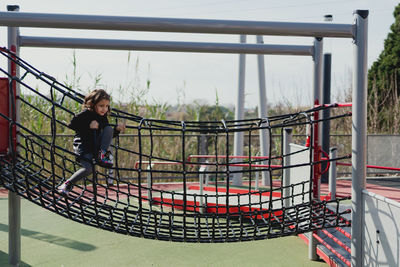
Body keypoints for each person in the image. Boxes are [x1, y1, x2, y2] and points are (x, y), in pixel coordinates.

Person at [58, 89, 126, 195]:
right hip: (84, 145)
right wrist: (88, 126)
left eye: (106, 106)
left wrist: (117, 130)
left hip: (96, 144)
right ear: (93, 104)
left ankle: (102, 154)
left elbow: (108, 137)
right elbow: (72, 125)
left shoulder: (103, 118)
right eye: (101, 105)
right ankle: (68, 184)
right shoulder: (86, 114)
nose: (104, 109)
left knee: (108, 129)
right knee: (88, 169)